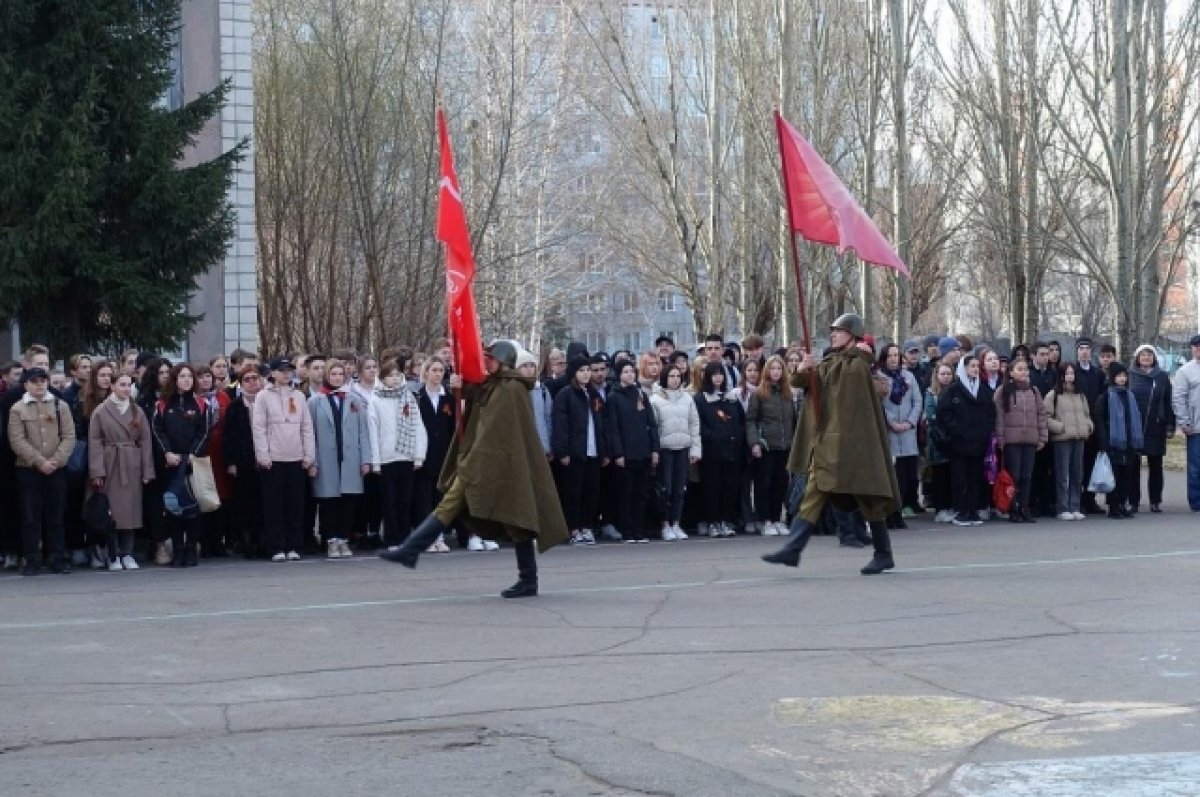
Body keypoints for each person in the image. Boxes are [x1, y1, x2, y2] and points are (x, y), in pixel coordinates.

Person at [380, 340, 570, 599]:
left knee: (519, 520)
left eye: (491, 359)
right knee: (454, 504)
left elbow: (494, 429)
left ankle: (528, 580)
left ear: (502, 362)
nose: (486, 363)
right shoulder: (496, 384)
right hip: (484, 462)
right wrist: (461, 386)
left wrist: (472, 460)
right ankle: (411, 550)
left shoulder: (512, 389)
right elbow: (478, 400)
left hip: (500, 462)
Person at [761, 313, 898, 575]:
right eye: (833, 331)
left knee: (868, 495)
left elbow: (842, 389)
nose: (833, 334)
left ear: (852, 335)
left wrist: (830, 365)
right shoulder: (833, 360)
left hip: (852, 445)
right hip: (828, 442)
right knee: (814, 491)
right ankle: (793, 549)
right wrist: (803, 368)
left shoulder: (857, 365)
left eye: (838, 330)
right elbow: (808, 384)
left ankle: (884, 553)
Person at [7, 367, 75, 575]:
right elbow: (17, 440)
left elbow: (69, 436)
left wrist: (55, 460)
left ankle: (56, 558)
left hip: (56, 469)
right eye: (34, 381)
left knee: (56, 516)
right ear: (26, 384)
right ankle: (32, 560)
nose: (39, 385)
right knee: (30, 517)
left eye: (43, 381)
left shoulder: (59, 405)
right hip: (28, 470)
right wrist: (38, 461)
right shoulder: (17, 409)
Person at [252, 357, 316, 562]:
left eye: (288, 370)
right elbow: (259, 428)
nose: (285, 374)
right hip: (273, 459)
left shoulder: (298, 396)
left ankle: (294, 545)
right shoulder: (263, 396)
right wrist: (263, 455)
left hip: (296, 457)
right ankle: (276, 546)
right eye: (281, 370)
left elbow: (306, 427)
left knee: (295, 505)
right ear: (272, 373)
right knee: (274, 506)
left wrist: (309, 455)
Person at [88, 373, 154, 569]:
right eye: (122, 384)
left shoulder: (137, 411)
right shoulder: (101, 411)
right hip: (111, 462)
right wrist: (97, 471)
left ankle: (128, 552)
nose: (126, 388)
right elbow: (95, 442)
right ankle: (112, 553)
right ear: (113, 386)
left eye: (129, 385)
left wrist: (147, 470)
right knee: (112, 512)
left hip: (131, 462)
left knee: (131, 511)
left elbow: (145, 441)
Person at [309, 360, 371, 558]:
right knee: (329, 502)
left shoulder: (354, 400)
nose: (337, 378)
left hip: (350, 458)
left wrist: (365, 460)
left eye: (340, 374)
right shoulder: (316, 401)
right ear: (327, 376)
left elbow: (363, 432)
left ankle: (344, 539)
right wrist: (313, 461)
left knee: (348, 501)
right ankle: (331, 540)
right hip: (326, 457)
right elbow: (311, 434)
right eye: (333, 374)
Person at [152, 364, 210, 567]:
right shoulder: (162, 404)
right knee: (174, 508)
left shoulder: (201, 404)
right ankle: (177, 549)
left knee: (193, 508)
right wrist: (167, 452)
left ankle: (191, 548)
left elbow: (204, 432)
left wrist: (193, 453)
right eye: (182, 376)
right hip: (171, 463)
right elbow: (158, 430)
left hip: (193, 463)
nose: (186, 380)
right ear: (175, 379)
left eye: (189, 376)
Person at [369, 359, 428, 552]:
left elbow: (418, 426)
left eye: (397, 375)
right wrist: (375, 462)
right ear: (383, 379)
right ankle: (392, 538)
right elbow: (373, 431)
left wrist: (418, 456)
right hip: (386, 458)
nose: (394, 379)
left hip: (406, 456)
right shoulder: (375, 399)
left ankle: (405, 536)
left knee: (405, 500)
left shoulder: (408, 397)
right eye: (390, 376)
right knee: (389, 500)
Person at [551, 356, 606, 546]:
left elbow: (602, 424)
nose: (586, 374)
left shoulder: (594, 394)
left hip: (593, 451)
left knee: (591, 492)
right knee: (573, 492)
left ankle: (586, 526)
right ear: (574, 373)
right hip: (575, 452)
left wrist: (604, 451)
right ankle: (573, 528)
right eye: (581, 370)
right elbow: (560, 425)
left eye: (587, 370)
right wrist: (562, 451)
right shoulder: (566, 394)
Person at [936, 355, 996, 527]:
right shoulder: (953, 390)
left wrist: (986, 432)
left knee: (975, 477)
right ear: (964, 368)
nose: (975, 369)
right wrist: (957, 431)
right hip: (959, 443)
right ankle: (961, 510)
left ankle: (972, 509)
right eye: (972, 366)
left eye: (977, 366)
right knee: (959, 478)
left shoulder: (984, 391)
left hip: (978, 442)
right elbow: (944, 413)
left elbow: (991, 413)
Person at [604, 360, 660, 543]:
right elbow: (613, 427)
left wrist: (654, 449)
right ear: (619, 374)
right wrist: (618, 453)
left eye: (631, 371)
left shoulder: (640, 394)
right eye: (625, 372)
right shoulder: (613, 397)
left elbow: (651, 423)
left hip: (643, 451)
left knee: (641, 493)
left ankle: (639, 529)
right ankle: (626, 529)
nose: (629, 375)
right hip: (626, 454)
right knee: (625, 493)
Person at [745, 355, 795, 535]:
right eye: (773, 368)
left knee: (780, 484)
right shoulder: (759, 394)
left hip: (785, 446)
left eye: (779, 369)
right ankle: (764, 519)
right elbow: (751, 420)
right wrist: (754, 443)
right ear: (767, 371)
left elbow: (793, 420)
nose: (776, 372)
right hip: (765, 446)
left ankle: (776, 519)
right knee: (763, 484)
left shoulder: (788, 394)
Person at [994, 358, 1048, 523]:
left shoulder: (1034, 391)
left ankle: (1024, 507)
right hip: (1012, 441)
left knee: (1026, 476)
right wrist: (1000, 438)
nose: (1024, 373)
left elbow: (1041, 414)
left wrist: (1042, 436)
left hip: (1030, 440)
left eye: (1026, 370)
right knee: (1014, 476)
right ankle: (1013, 508)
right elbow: (999, 417)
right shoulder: (1003, 391)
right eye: (1020, 369)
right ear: (1011, 372)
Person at [222, 364, 268, 557]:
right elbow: (229, 435)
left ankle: (263, 541)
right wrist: (231, 462)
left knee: (263, 501)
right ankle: (247, 542)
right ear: (241, 384)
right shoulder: (235, 406)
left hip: (265, 459)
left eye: (255, 378)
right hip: (243, 460)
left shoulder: (266, 402)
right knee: (245, 503)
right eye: (247, 379)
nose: (252, 382)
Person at [651, 363, 701, 541]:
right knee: (665, 488)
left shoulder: (687, 398)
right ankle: (665, 524)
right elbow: (653, 428)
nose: (675, 380)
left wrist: (695, 448)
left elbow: (694, 424)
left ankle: (676, 523)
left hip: (683, 449)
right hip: (665, 450)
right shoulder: (655, 399)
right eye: (671, 376)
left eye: (678, 376)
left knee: (680, 488)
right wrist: (654, 451)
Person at [694, 361, 743, 537]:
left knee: (729, 487)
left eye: (720, 373)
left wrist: (736, 438)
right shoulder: (700, 399)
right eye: (714, 374)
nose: (717, 377)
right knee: (711, 488)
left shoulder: (731, 398)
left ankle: (726, 521)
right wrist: (713, 437)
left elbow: (740, 422)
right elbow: (698, 424)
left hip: (731, 450)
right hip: (711, 452)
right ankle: (712, 521)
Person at [876, 343, 922, 524]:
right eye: (890, 356)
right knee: (895, 474)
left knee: (910, 473)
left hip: (908, 431)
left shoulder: (908, 377)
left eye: (896, 355)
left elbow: (917, 401)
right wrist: (892, 422)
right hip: (890, 431)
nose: (894, 359)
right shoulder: (879, 378)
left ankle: (906, 505)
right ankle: (892, 512)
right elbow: (879, 403)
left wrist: (910, 422)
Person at [1093, 362, 1144, 519]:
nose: (1122, 379)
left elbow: (1135, 419)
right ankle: (1113, 506)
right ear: (1112, 378)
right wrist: (1103, 442)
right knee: (1114, 475)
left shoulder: (1130, 396)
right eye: (1119, 376)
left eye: (1124, 376)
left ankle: (1122, 504)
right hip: (1113, 443)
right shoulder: (1106, 397)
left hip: (1129, 443)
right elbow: (1099, 420)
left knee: (1127, 476)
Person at [1128, 345, 1174, 513]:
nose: (1146, 357)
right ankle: (1133, 501)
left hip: (1156, 426)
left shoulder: (1162, 376)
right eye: (1143, 355)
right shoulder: (1130, 375)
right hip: (1134, 426)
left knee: (1156, 465)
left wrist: (1170, 425)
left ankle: (1155, 501)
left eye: (1149, 355)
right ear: (1137, 357)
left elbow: (1168, 402)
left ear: (1154, 358)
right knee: (1133, 465)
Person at [1044, 363, 1092, 521]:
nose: (1070, 376)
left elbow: (1087, 414)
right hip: (1062, 439)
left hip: (1079, 438)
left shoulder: (1081, 395)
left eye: (1072, 373)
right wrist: (1060, 427)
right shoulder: (1053, 395)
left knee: (1077, 474)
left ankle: (1075, 506)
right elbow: (1045, 417)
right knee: (1063, 474)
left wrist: (1088, 427)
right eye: (1067, 373)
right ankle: (1062, 507)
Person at [923, 363, 956, 522]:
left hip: (953, 439)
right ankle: (940, 508)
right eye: (942, 374)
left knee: (951, 475)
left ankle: (950, 506)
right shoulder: (931, 393)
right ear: (936, 375)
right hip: (937, 440)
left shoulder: (956, 392)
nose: (946, 377)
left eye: (948, 374)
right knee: (939, 476)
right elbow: (930, 415)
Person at [1172, 334, 1200, 512]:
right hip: (1195, 428)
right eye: (1196, 346)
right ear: (1192, 349)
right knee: (1196, 468)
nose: (1199, 349)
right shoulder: (1185, 371)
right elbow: (1178, 398)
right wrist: (1183, 421)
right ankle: (1196, 502)